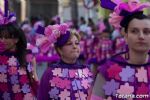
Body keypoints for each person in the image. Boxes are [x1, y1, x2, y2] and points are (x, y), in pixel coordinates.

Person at [91, 0, 150, 99]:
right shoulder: (108, 69)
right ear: (126, 36)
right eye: (134, 31)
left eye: (147, 32)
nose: (141, 36)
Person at [37, 23, 93, 100]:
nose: (75, 46)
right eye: (69, 43)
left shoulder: (86, 70)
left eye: (77, 43)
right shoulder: (50, 73)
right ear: (59, 50)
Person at [0, 2, 38, 99]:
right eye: (0, 37)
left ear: (16, 39)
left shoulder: (28, 54)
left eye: (6, 37)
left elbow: (33, 77)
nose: (2, 40)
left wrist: (38, 92)